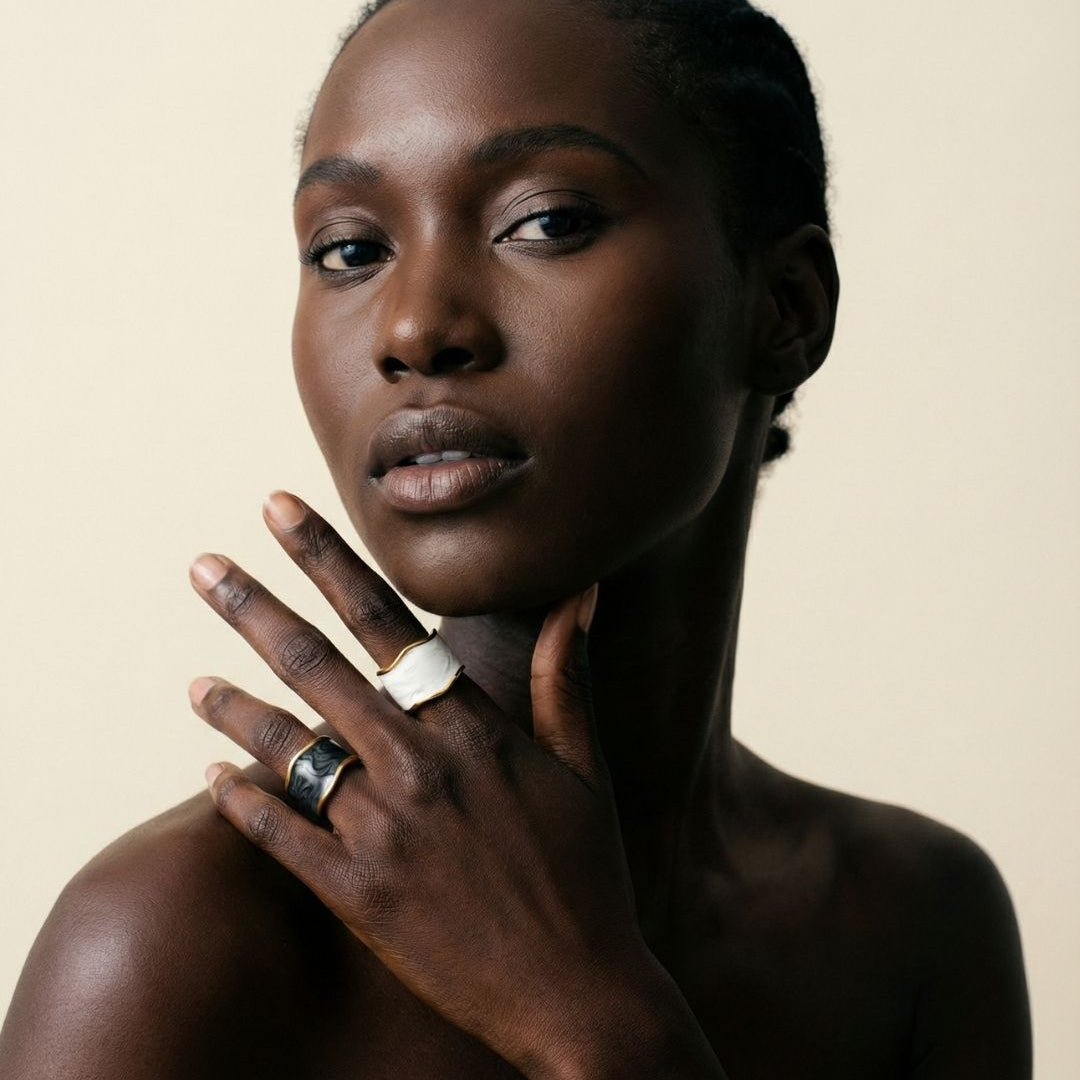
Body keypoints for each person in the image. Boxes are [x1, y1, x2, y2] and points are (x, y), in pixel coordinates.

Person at [0, 0, 1032, 1076]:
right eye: (350, 249)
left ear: (785, 308)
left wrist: (591, 1016)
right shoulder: (171, 946)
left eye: (545, 223)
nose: (414, 328)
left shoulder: (918, 924)